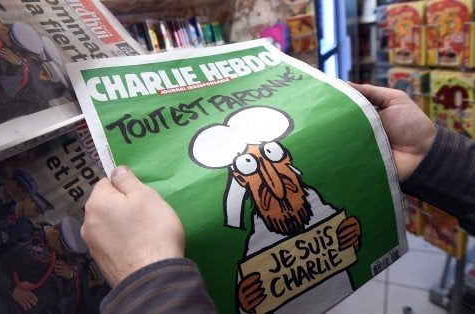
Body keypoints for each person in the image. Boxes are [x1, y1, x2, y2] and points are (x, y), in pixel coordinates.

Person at [81, 83, 474, 313]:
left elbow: (341, 229)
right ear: (238, 178)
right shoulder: (254, 237)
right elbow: (249, 281)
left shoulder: (313, 200)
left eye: (271, 155)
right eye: (250, 168)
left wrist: (145, 278)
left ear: (285, 155)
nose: (270, 178)